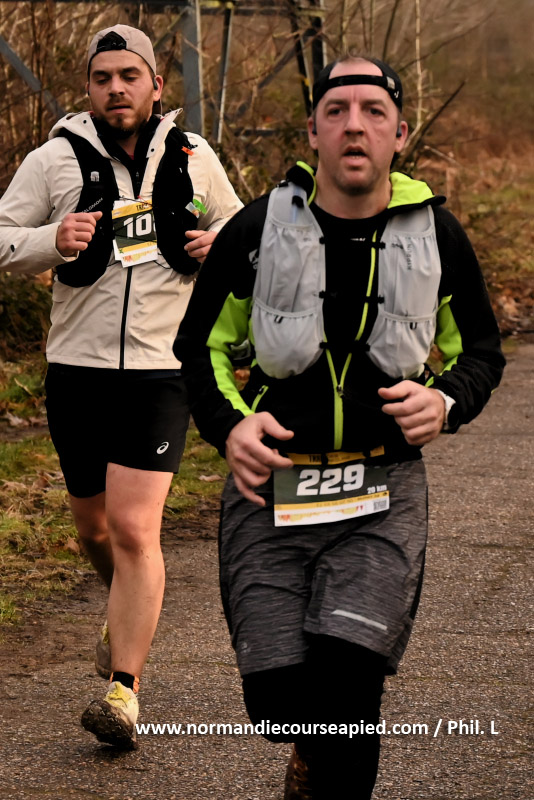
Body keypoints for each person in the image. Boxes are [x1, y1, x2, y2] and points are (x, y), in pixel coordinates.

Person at [174, 55, 505, 798]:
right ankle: (309, 754)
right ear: (313, 132)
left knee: (351, 680)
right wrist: (229, 427)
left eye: (373, 111)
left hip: (382, 492)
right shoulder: (257, 229)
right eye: (337, 110)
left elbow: (481, 352)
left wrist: (447, 402)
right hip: (270, 494)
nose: (355, 125)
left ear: (400, 134)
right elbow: (199, 348)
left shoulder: (439, 235)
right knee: (280, 702)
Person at [0, 24, 242, 749]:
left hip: (163, 372)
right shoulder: (52, 160)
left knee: (137, 529)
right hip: (76, 373)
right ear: (88, 87)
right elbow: (2, 237)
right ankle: (122, 607)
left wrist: (222, 244)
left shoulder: (195, 157)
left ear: (155, 85)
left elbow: (246, 229)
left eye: (129, 76)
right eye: (103, 77)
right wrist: (50, 241)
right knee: (95, 530)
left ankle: (124, 691)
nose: (116, 88)